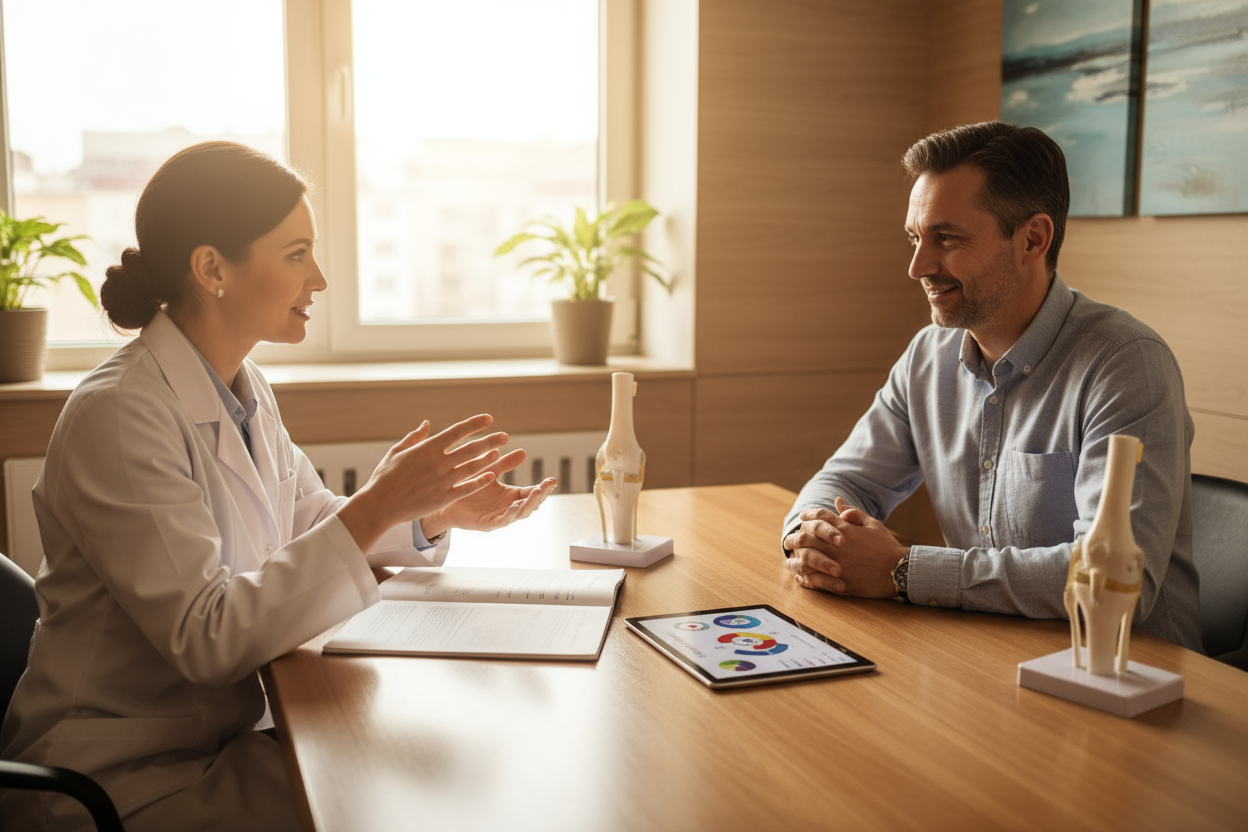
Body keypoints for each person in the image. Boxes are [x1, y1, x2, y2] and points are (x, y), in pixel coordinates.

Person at [0, 141, 558, 831]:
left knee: (422, 774)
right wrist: (383, 497)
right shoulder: (118, 415)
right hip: (122, 780)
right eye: (297, 255)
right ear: (212, 269)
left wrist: (427, 514)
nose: (319, 279)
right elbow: (207, 637)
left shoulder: (244, 385)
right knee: (405, 803)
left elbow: (307, 518)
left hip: (210, 744)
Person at [781, 122, 1202, 650]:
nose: (918, 266)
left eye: (947, 239)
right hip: (990, 658)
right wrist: (811, 536)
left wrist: (904, 571)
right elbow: (845, 479)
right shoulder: (927, 357)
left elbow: (1116, 581)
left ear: (1032, 239)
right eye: (915, 238)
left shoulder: (1126, 366)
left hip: (1127, 678)